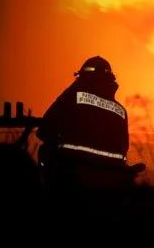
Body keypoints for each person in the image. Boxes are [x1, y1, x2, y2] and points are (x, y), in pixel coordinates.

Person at [36, 56, 134, 199]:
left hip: (76, 173)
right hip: (114, 178)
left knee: (45, 150)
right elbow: (124, 147)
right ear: (110, 80)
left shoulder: (72, 96)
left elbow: (45, 130)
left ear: (83, 78)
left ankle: (52, 199)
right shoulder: (120, 110)